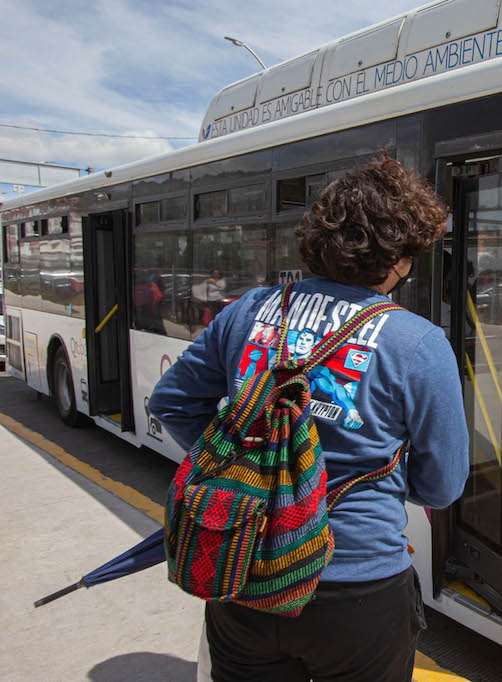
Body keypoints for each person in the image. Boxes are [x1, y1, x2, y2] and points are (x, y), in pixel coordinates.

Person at [148, 156, 470, 682]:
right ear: (399, 259)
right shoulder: (417, 342)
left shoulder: (248, 310)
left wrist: (242, 466)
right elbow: (442, 486)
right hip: (357, 584)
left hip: (244, 567)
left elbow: (171, 403)